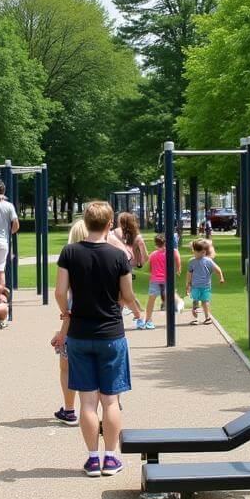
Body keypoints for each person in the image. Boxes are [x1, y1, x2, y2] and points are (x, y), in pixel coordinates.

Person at [52, 201, 143, 477]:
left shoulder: (69, 252)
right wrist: (138, 312)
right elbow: (126, 296)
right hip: (111, 334)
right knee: (110, 401)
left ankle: (92, 459)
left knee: (87, 401)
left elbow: (59, 291)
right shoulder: (118, 257)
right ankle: (110, 458)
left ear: (85, 221)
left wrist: (66, 313)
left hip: (80, 334)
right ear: (109, 223)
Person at [53, 218, 88, 424]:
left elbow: (60, 292)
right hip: (103, 320)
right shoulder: (107, 255)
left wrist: (64, 317)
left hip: (75, 317)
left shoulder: (70, 257)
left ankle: (69, 409)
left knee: (66, 366)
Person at [139, 233, 181, 330]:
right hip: (167, 279)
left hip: (155, 280)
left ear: (156, 244)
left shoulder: (153, 254)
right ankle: (173, 316)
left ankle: (148, 321)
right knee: (170, 297)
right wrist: (178, 269)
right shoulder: (173, 251)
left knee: (151, 300)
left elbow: (149, 267)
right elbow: (178, 260)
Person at [185, 238, 224, 325]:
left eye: (197, 252)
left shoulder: (208, 261)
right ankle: (195, 319)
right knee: (195, 302)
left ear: (204, 252)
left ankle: (207, 318)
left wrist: (221, 277)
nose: (195, 254)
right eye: (194, 251)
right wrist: (188, 284)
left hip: (206, 286)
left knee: (205, 302)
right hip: (195, 286)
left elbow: (217, 269)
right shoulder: (192, 262)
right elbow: (189, 274)